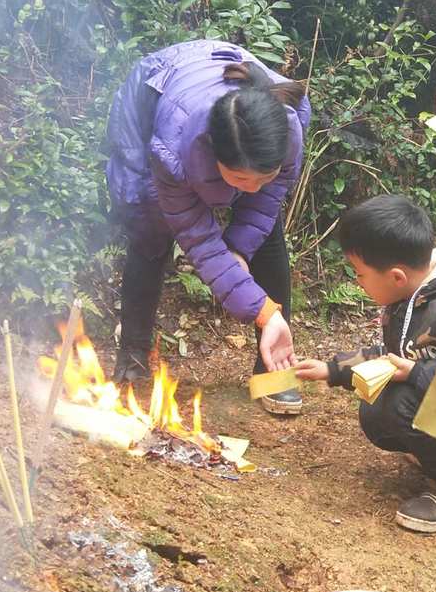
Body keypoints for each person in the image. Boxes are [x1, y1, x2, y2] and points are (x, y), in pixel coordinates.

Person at [105, 40, 309, 414]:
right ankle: (133, 355)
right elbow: (198, 239)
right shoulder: (173, 150)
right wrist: (262, 309)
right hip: (155, 95)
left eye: (264, 175)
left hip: (233, 105)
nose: (251, 188)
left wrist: (239, 251)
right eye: (238, 178)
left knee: (268, 237)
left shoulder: (287, 129)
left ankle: (274, 371)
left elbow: (266, 201)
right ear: (212, 154)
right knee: (150, 229)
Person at [294, 195, 436, 532]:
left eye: (360, 275)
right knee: (376, 407)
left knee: (396, 404)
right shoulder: (413, 295)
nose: (357, 283)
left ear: (395, 276)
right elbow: (392, 354)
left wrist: (416, 372)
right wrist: (332, 369)